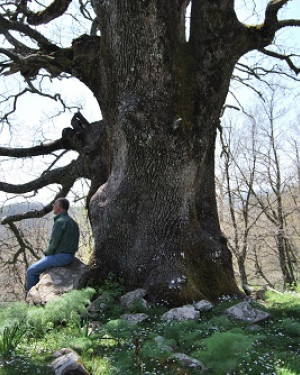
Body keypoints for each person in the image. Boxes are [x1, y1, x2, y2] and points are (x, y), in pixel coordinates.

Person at [26, 197, 80, 292]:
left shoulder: (60, 222)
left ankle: (30, 297)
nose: (53, 206)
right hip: (70, 256)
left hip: (61, 257)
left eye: (55, 204)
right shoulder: (72, 222)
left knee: (31, 271)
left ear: (60, 207)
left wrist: (47, 254)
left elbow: (54, 243)